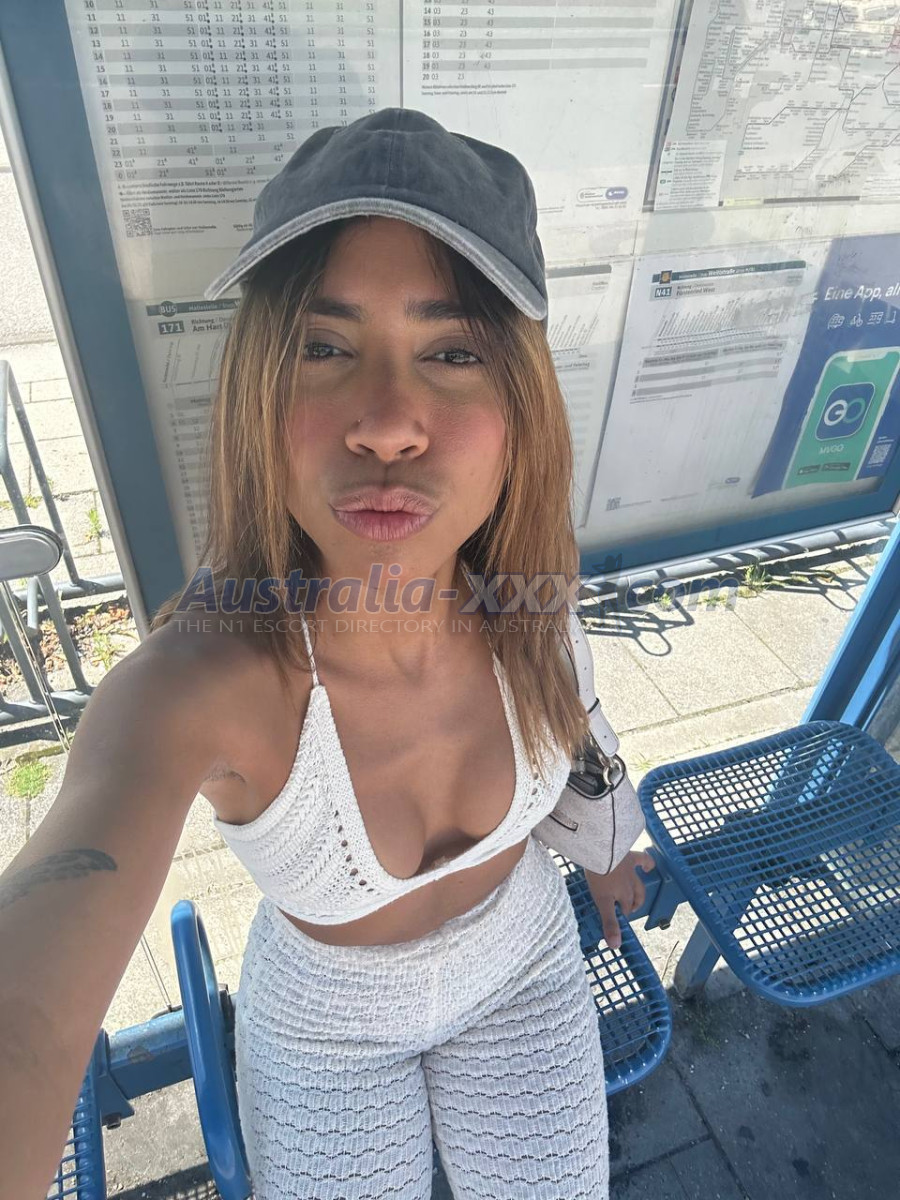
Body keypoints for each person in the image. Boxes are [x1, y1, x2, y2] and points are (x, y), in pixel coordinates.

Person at [0, 108, 652, 1199]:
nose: (388, 424)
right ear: (259, 390)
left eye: (453, 351)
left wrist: (607, 847)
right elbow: (26, 1018)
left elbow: (574, 716)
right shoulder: (203, 683)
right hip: (327, 1026)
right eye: (325, 347)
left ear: (522, 402)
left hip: (525, 958)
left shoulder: (528, 592)